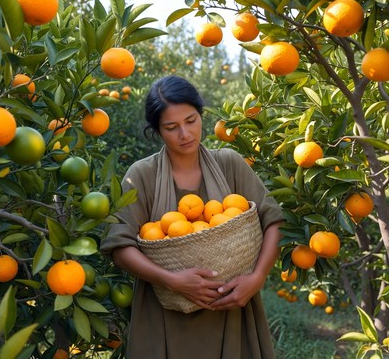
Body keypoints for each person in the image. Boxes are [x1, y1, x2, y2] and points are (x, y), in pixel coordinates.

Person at [100, 75, 284, 359]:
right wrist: (171, 280)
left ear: (201, 115)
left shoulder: (229, 164)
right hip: (163, 317)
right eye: (171, 127)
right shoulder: (142, 175)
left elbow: (274, 220)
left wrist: (257, 278)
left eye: (191, 120)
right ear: (158, 131)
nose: (185, 134)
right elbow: (119, 246)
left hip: (231, 309)